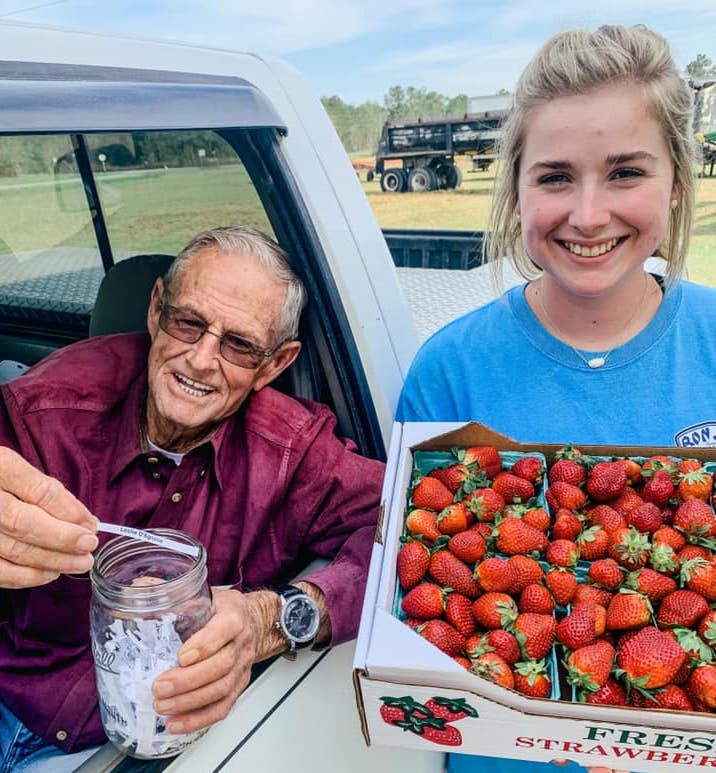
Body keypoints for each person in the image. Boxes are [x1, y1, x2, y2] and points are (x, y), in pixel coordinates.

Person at [398, 22, 713, 773]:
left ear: (676, 179)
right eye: (555, 176)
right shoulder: (449, 371)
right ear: (516, 189)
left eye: (627, 171)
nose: (589, 213)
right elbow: (411, 606)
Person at [0, 225, 384, 771]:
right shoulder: (45, 408)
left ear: (274, 364)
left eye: (239, 345)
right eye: (189, 323)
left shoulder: (293, 454)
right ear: (157, 309)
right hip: (15, 702)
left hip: (164, 743)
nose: (202, 360)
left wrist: (273, 619)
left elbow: (407, 529)